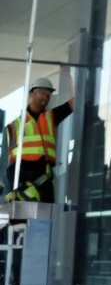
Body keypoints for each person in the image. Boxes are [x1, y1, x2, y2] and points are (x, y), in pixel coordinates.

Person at [6, 68, 73, 202]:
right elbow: (9, 157)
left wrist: (69, 74)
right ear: (32, 93)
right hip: (22, 175)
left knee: (45, 213)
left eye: (49, 94)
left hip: (43, 175)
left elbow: (73, 103)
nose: (46, 97)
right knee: (21, 214)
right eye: (43, 93)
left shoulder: (51, 117)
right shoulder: (15, 124)